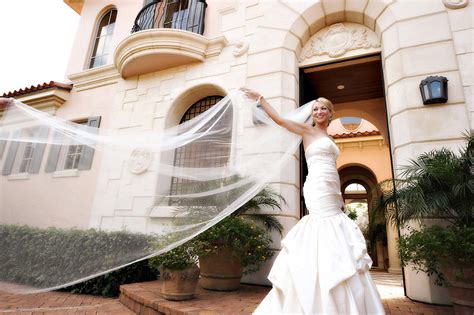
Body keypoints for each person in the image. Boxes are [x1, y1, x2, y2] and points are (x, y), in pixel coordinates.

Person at [240, 88, 385, 315]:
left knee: (336, 229)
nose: (318, 111)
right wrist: (261, 99)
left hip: (331, 187)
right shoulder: (307, 130)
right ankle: (315, 288)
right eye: (315, 109)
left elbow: (334, 170)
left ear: (330, 113)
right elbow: (279, 120)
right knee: (322, 225)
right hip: (316, 186)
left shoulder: (330, 137)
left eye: (323, 109)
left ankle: (334, 287)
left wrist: (340, 197)